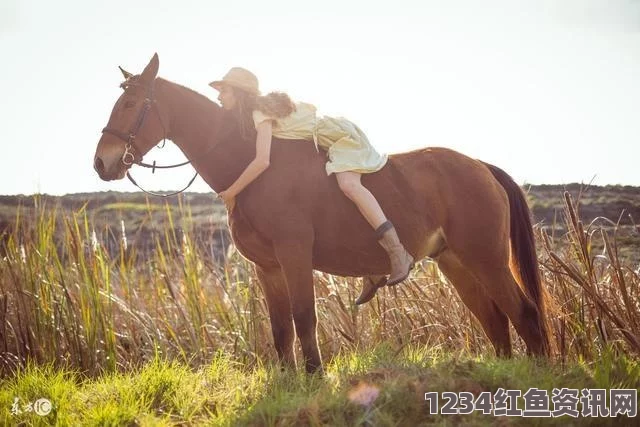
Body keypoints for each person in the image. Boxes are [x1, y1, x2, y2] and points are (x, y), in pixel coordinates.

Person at [209, 67, 413, 287]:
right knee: (332, 193)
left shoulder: (260, 113)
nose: (219, 96)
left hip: (341, 139)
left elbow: (262, 160)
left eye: (224, 91)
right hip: (324, 144)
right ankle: (370, 267)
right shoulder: (255, 114)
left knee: (349, 185)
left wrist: (231, 192)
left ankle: (398, 251)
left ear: (239, 93)